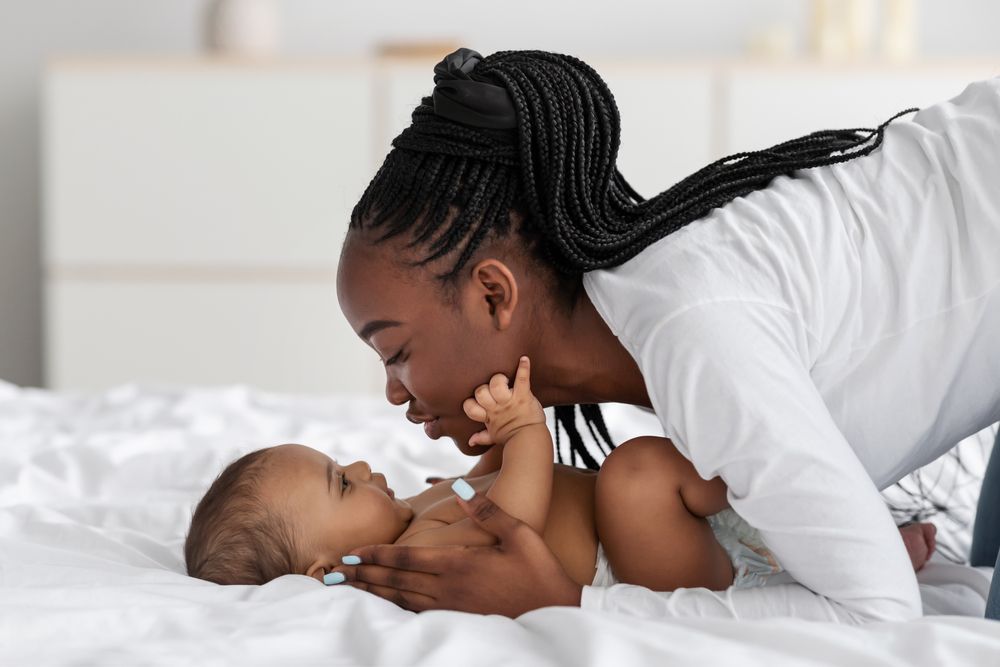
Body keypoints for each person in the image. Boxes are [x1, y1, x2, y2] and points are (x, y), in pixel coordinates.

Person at [331, 47, 1000, 623]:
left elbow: (879, 611)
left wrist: (568, 601)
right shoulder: (666, 308)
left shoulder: (693, 335)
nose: (392, 392)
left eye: (396, 351)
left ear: (493, 294)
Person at [184, 358, 938, 592]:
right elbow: (515, 517)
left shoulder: (414, 511)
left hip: (671, 531)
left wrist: (486, 441)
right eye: (339, 485)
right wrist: (523, 432)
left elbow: (479, 484)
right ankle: (834, 541)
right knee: (635, 472)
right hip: (644, 559)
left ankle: (811, 497)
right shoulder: (418, 560)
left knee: (679, 452)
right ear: (327, 569)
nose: (355, 465)